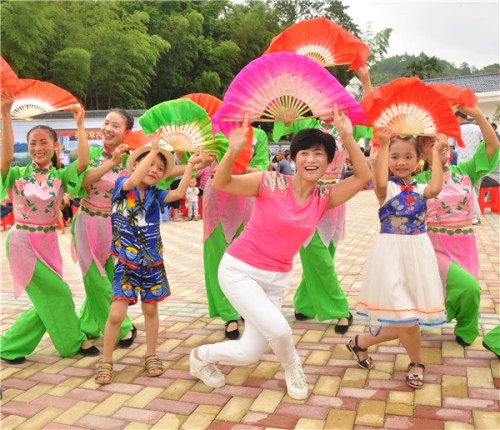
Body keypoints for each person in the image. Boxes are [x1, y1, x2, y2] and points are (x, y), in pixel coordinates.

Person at [190, 106, 371, 400]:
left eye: (319, 154)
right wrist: (233, 150)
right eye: (304, 153)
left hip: (275, 279)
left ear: (328, 161)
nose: (311, 160)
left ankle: (200, 356)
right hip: (239, 270)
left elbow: (363, 177)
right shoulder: (269, 182)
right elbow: (222, 182)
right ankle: (293, 367)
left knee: (249, 352)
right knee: (281, 330)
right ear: (294, 157)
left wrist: (348, 137)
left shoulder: (324, 197)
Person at [94, 133, 204, 384]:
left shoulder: (155, 194)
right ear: (135, 164)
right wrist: (154, 151)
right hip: (126, 262)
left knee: (151, 309)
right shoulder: (122, 185)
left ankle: (151, 354)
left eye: (160, 168)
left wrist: (189, 165)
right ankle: (106, 360)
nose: (155, 170)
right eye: (150, 164)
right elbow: (133, 179)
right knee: (116, 314)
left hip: (152, 263)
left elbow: (178, 195)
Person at [0, 89, 98, 363]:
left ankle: (9, 346)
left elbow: (83, 162)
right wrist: (5, 115)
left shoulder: (60, 176)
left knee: (48, 298)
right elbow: (5, 159)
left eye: (43, 142)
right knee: (60, 293)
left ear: (55, 146)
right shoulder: (17, 174)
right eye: (32, 143)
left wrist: (80, 125)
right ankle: (71, 342)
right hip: (21, 242)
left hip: (48, 243)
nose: (37, 148)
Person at [348, 129, 448, 389]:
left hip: (418, 256)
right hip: (390, 257)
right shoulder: (387, 189)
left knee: (406, 316)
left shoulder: (423, 189)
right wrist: (381, 146)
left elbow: (437, 187)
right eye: (395, 156)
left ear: (418, 161)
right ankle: (416, 362)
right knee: (407, 318)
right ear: (387, 159)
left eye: (408, 156)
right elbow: (379, 182)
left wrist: (436, 152)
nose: (401, 162)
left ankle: (359, 342)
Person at [415, 105, 499, 347]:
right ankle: (439, 318)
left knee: (463, 288)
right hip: (434, 246)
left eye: (439, 139)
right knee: (470, 287)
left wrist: (478, 114)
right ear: (421, 153)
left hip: (464, 243)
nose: (437, 144)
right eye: (428, 142)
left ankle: (465, 328)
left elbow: (492, 148)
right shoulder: (419, 180)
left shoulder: (465, 172)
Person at [202, 127, 269, 339]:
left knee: (248, 258)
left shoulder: (259, 136)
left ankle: (246, 307)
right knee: (217, 256)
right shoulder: (211, 132)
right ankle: (228, 314)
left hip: (246, 193)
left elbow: (262, 168)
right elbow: (192, 161)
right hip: (216, 196)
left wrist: (240, 168)